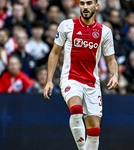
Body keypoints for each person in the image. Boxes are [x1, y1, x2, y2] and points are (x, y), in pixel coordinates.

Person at [43, 0, 119, 149]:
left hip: (92, 83)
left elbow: (111, 59)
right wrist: (49, 80)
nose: (85, 7)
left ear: (96, 6)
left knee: (95, 130)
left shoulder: (105, 31)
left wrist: (115, 74)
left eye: (89, 3)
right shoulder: (66, 25)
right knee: (76, 109)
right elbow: (55, 52)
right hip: (71, 78)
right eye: (82, 3)